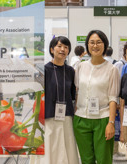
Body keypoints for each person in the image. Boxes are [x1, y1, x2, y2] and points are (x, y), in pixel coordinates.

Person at [73, 30, 120, 164]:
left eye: (99, 42)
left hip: (102, 119)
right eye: (92, 42)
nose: (95, 45)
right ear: (87, 45)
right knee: (86, 160)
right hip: (81, 119)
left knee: (103, 159)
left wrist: (111, 123)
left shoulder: (112, 69)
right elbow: (77, 92)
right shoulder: (81, 66)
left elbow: (113, 98)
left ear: (105, 45)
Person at [44, 36, 79, 164]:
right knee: (52, 147)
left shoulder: (70, 71)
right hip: (49, 115)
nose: (62, 49)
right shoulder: (45, 70)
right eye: (59, 46)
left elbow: (72, 93)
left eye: (65, 47)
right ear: (52, 49)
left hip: (67, 116)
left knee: (67, 145)